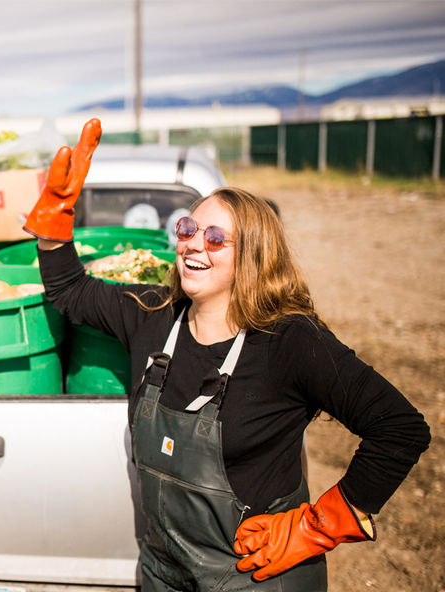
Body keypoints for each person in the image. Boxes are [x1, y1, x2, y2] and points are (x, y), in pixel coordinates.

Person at [24, 118, 430, 591]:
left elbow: (400, 428)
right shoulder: (153, 314)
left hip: (255, 576)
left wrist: (318, 526)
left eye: (215, 238)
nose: (194, 244)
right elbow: (70, 290)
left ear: (253, 255)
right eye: (187, 228)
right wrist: (54, 222)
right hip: (164, 573)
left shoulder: (288, 341)